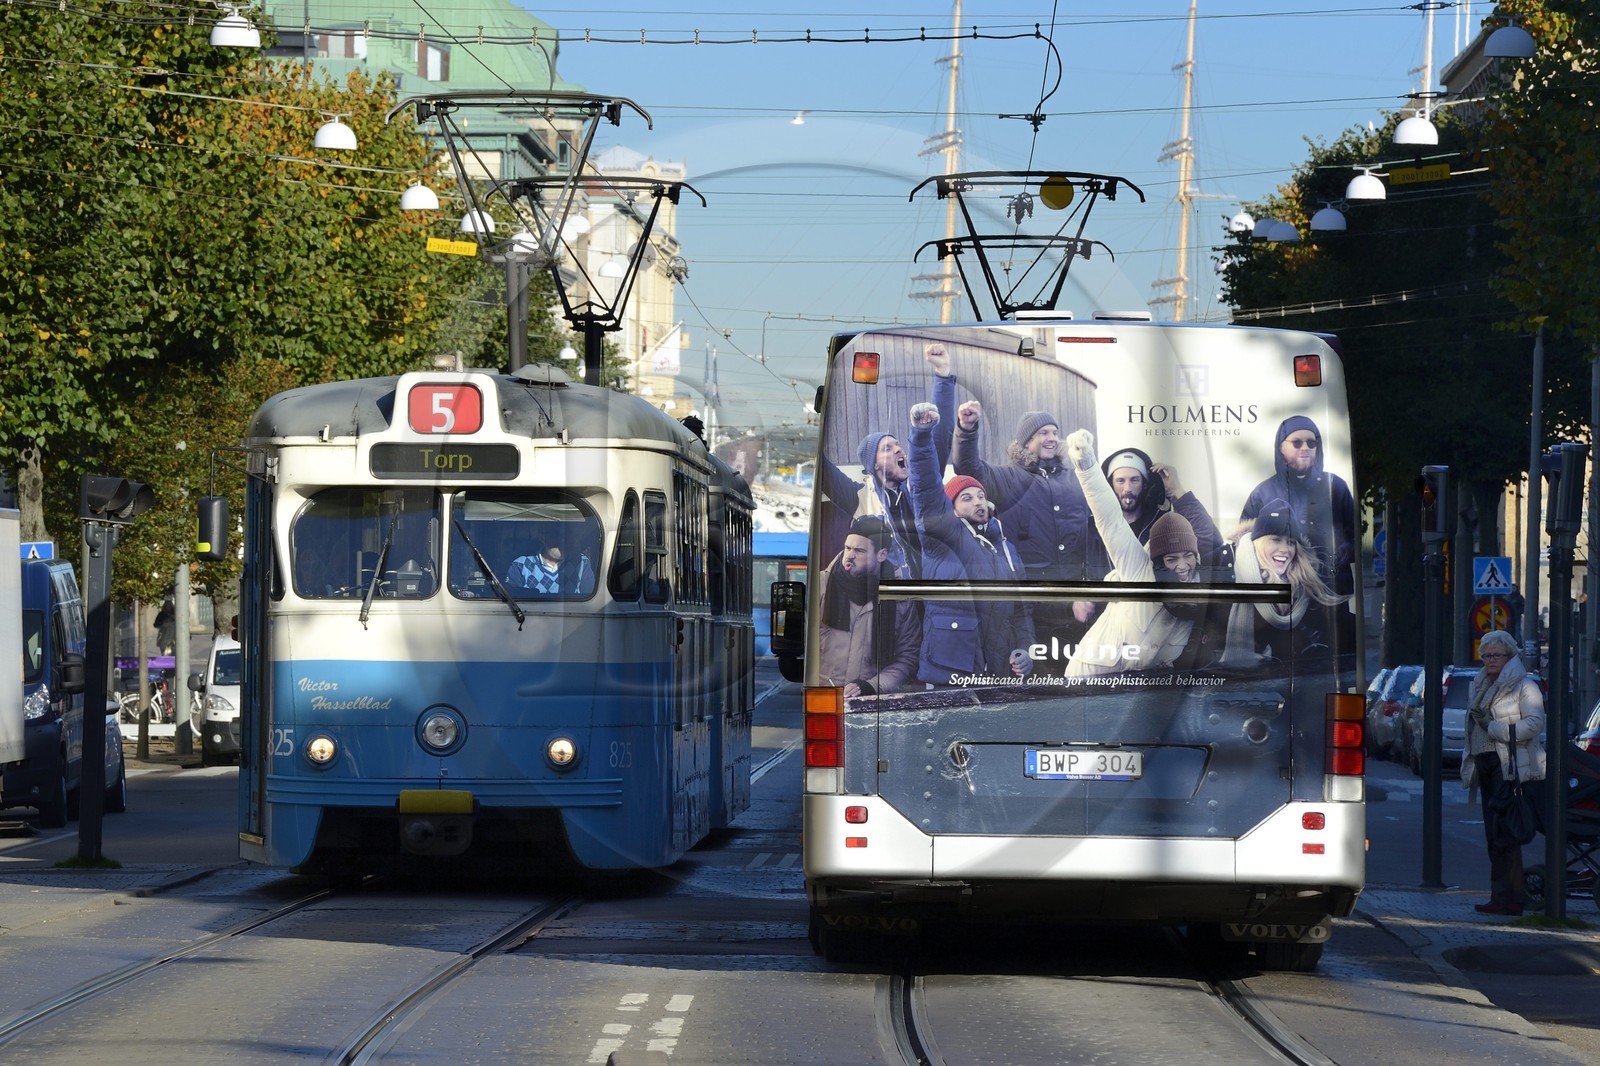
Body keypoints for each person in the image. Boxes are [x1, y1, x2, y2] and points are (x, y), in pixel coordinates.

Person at [1061, 431, 1223, 675]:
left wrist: (1178, 490)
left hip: (1141, 689)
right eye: (1170, 559)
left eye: (1188, 556)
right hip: (1090, 681)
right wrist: (1085, 463)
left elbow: (1210, 539)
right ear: (1156, 560)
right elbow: (1108, 518)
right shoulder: (1138, 567)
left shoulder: (1196, 584)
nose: (1181, 566)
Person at [950, 395, 1103, 652]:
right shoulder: (1008, 478)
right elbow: (967, 467)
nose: (1052, 437)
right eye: (1043, 432)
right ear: (1026, 441)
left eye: (1055, 432)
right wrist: (967, 429)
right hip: (1029, 610)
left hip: (1079, 604)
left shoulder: (1074, 480)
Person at [906, 401, 1033, 685]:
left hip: (998, 672)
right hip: (949, 671)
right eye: (966, 497)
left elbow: (1022, 609)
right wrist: (921, 436)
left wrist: (1025, 650)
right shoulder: (943, 537)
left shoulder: (1006, 549)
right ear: (950, 508)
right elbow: (926, 486)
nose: (977, 501)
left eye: (980, 496)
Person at [1462, 629, 1547, 916]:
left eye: (1495, 655)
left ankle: (1510, 900)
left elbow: (1534, 724)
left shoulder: (1524, 686)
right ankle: (1502, 897)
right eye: (1485, 655)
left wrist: (1495, 728)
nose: (1489, 660)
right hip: (1487, 765)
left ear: (1509, 655)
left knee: (1505, 835)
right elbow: (1473, 725)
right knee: (1494, 835)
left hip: (1509, 768)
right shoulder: (1481, 683)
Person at [1239, 416, 1358, 597]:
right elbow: (1245, 545)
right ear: (1281, 448)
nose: (1305, 448)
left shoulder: (1335, 486)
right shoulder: (1262, 492)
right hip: (1280, 597)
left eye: (1311, 443)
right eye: (1296, 443)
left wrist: (1339, 553)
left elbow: (1356, 538)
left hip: (1331, 594)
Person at [1220, 501, 1348, 666]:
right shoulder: (1225, 561)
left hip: (1279, 682)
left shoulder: (1304, 583)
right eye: (1275, 539)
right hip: (1224, 683)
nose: (1284, 549)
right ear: (1258, 541)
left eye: (1290, 542)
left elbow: (1335, 631)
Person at [816, 516, 919, 698]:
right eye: (847, 548)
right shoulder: (821, 586)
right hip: (823, 699)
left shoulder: (899, 597)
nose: (850, 555)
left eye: (859, 550)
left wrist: (873, 686)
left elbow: (908, 657)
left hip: (871, 703)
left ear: (881, 555)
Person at [508, 542, 595, 596]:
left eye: (567, 536)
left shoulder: (582, 562)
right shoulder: (520, 565)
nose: (563, 542)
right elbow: (511, 601)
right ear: (542, 536)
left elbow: (590, 602)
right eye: (557, 536)